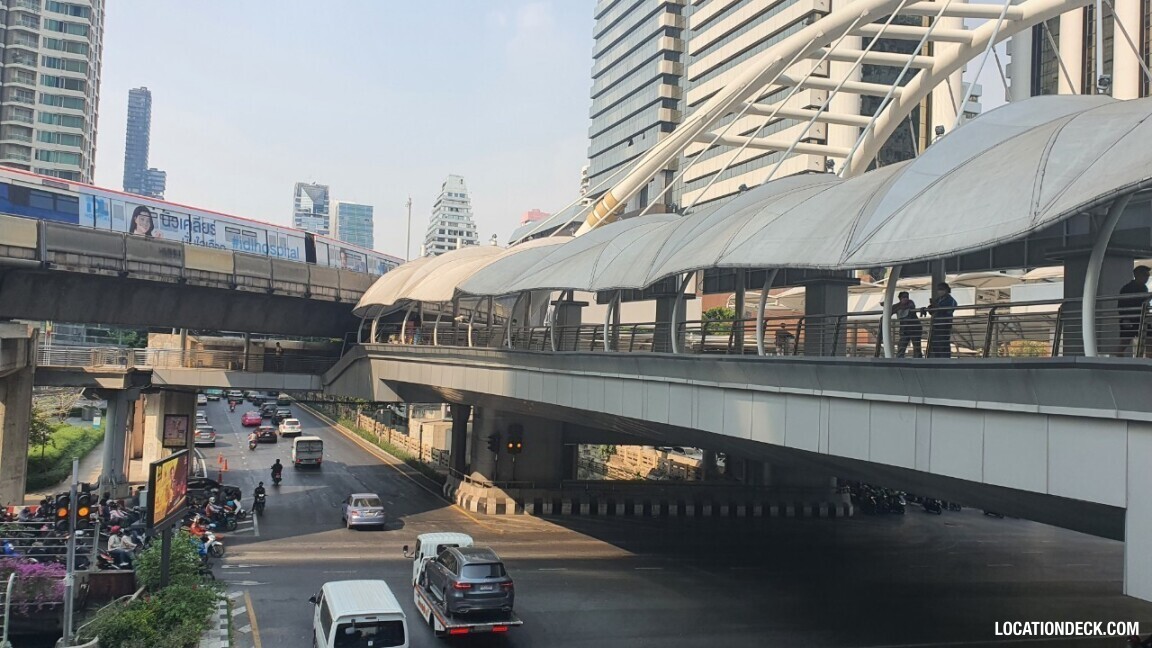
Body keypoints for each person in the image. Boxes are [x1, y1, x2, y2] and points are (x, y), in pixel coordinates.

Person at [1117, 265, 1150, 356]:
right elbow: (1121, 305)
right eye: (1145, 275)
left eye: (1148, 275)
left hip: (1141, 318)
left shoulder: (1144, 288)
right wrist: (1125, 319)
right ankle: (1117, 358)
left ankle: (1148, 359)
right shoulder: (1127, 288)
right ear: (1137, 275)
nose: (1147, 277)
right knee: (1125, 341)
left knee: (1149, 337)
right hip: (1130, 319)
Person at [924, 282, 957, 358]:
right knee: (935, 343)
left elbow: (946, 309)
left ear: (946, 290)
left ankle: (945, 359)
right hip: (936, 324)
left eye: (942, 289)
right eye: (939, 289)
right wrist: (929, 308)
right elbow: (932, 310)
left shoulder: (950, 300)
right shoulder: (939, 299)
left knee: (943, 343)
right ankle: (937, 358)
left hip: (944, 324)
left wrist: (935, 306)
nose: (940, 291)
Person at [894, 291, 923, 358]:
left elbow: (911, 306)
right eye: (903, 297)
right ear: (900, 298)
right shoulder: (897, 305)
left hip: (915, 329)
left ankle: (918, 360)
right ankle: (899, 359)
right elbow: (891, 309)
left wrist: (898, 308)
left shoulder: (910, 302)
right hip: (905, 330)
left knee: (917, 347)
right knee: (901, 346)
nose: (906, 299)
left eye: (907, 297)